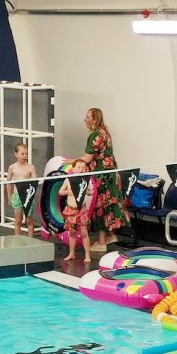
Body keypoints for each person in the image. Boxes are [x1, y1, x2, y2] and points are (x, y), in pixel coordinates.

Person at [79, 108, 129, 251]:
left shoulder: (95, 135)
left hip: (102, 175)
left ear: (95, 119)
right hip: (112, 172)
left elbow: (88, 157)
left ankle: (101, 243)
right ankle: (111, 235)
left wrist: (72, 161)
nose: (85, 119)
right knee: (109, 204)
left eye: (87, 117)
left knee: (100, 206)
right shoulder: (105, 132)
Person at [59, 159, 92, 264]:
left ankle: (87, 255)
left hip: (81, 210)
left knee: (84, 233)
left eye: (83, 167)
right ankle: (72, 253)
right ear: (73, 169)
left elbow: (91, 192)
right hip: (71, 210)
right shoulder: (68, 180)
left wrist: (86, 191)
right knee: (72, 233)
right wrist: (68, 191)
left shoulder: (85, 181)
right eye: (78, 167)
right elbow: (60, 192)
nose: (81, 169)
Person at [6, 142, 38, 237]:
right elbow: (8, 183)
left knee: (29, 220)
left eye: (26, 154)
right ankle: (18, 241)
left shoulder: (31, 167)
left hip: (28, 196)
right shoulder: (12, 167)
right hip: (16, 196)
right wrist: (9, 197)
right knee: (18, 220)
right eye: (22, 154)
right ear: (16, 154)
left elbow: (34, 182)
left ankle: (31, 240)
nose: (25, 156)